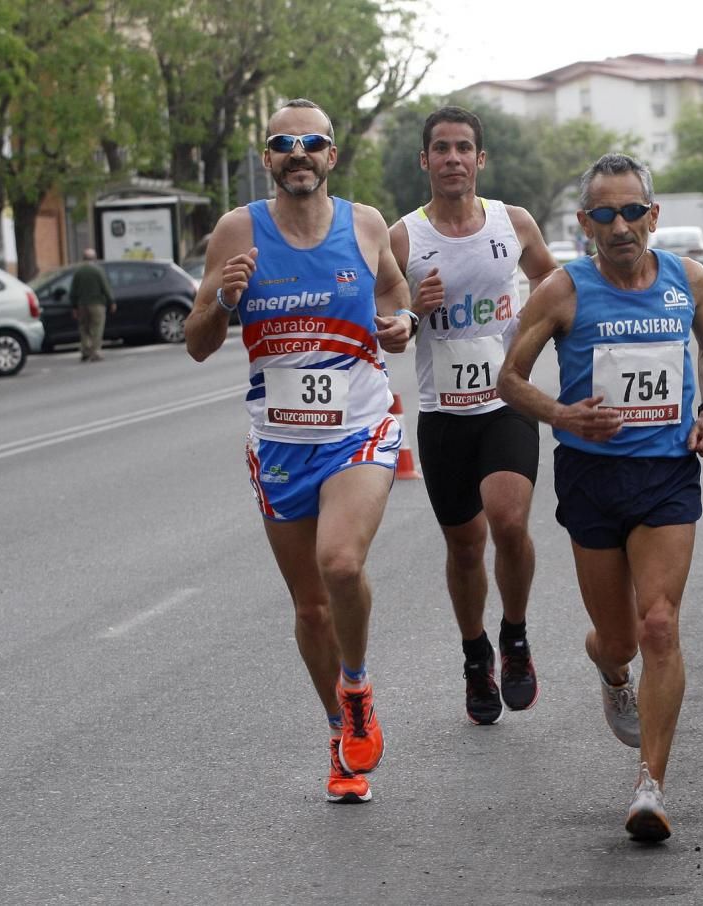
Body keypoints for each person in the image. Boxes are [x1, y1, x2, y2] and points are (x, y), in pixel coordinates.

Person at [185, 98, 416, 804]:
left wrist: (400, 321)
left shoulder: (367, 224)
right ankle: (340, 738)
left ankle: (357, 687)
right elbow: (196, 343)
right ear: (267, 159)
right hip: (280, 442)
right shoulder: (236, 231)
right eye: (283, 143)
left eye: (311, 142)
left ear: (331, 156)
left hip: (360, 428)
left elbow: (396, 292)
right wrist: (224, 300)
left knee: (340, 564)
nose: (298, 153)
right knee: (311, 607)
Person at [497, 153, 703, 842]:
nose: (621, 225)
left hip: (666, 475)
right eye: (605, 214)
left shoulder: (689, 279)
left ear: (654, 215)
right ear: (584, 223)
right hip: (593, 478)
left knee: (660, 625)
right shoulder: (564, 291)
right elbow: (510, 378)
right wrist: (563, 416)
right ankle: (606, 664)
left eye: (632, 211)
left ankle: (649, 786)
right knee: (622, 637)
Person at [388, 106, 557, 726]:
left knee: (509, 523)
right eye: (442, 148)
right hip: (442, 414)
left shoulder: (512, 223)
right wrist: (413, 307)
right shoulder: (404, 237)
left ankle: (514, 637)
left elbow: (551, 283)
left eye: (464, 148)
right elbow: (391, 334)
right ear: (424, 161)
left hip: (505, 402)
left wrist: (531, 334)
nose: (453, 158)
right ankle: (474, 655)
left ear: (480, 160)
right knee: (465, 546)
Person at [70, 248, 116, 362]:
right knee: (96, 328)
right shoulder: (98, 271)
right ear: (94, 258)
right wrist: (112, 301)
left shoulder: (78, 272)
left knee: (84, 328)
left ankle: (85, 350)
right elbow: (105, 287)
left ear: (83, 258)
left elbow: (73, 291)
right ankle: (95, 352)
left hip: (82, 304)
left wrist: (74, 306)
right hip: (97, 304)